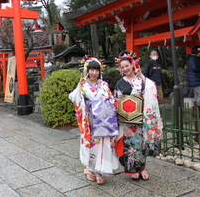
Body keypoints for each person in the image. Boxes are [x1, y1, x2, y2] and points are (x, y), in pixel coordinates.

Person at [69, 57, 119, 185]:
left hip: (104, 121)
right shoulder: (84, 85)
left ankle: (100, 171)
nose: (94, 73)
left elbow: (111, 99)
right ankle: (91, 169)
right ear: (87, 70)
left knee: (103, 144)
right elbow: (74, 98)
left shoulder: (104, 85)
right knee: (92, 145)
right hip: (90, 121)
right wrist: (80, 85)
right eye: (91, 70)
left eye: (96, 70)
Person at [115, 50, 163, 181]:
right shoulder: (120, 83)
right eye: (122, 67)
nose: (125, 68)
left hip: (142, 115)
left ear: (133, 65)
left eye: (127, 66)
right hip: (127, 118)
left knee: (142, 142)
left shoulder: (141, 80)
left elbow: (151, 89)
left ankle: (142, 168)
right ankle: (133, 170)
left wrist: (141, 74)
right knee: (130, 144)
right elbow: (116, 99)